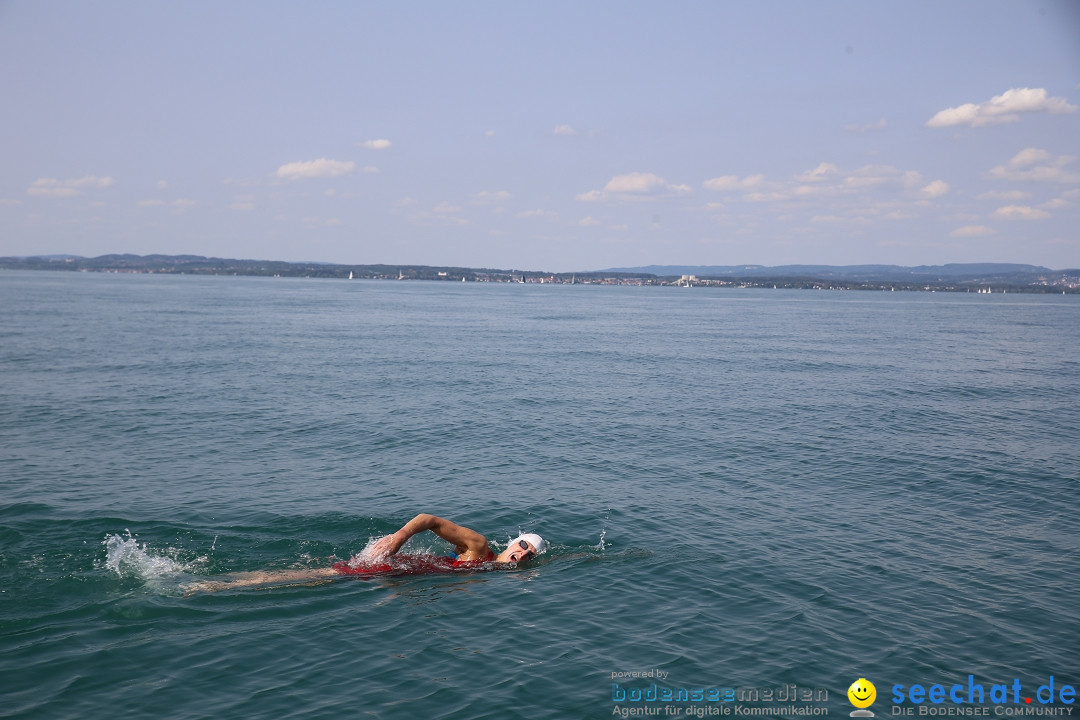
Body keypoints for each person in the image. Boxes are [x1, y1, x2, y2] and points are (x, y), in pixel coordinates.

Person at [182, 513, 546, 594]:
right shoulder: (480, 548)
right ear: (514, 542)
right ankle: (216, 585)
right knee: (319, 577)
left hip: (400, 575)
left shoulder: (496, 572)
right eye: (523, 545)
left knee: (317, 574)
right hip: (395, 566)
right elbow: (428, 518)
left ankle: (218, 583)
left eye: (530, 555)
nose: (523, 555)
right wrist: (398, 538)